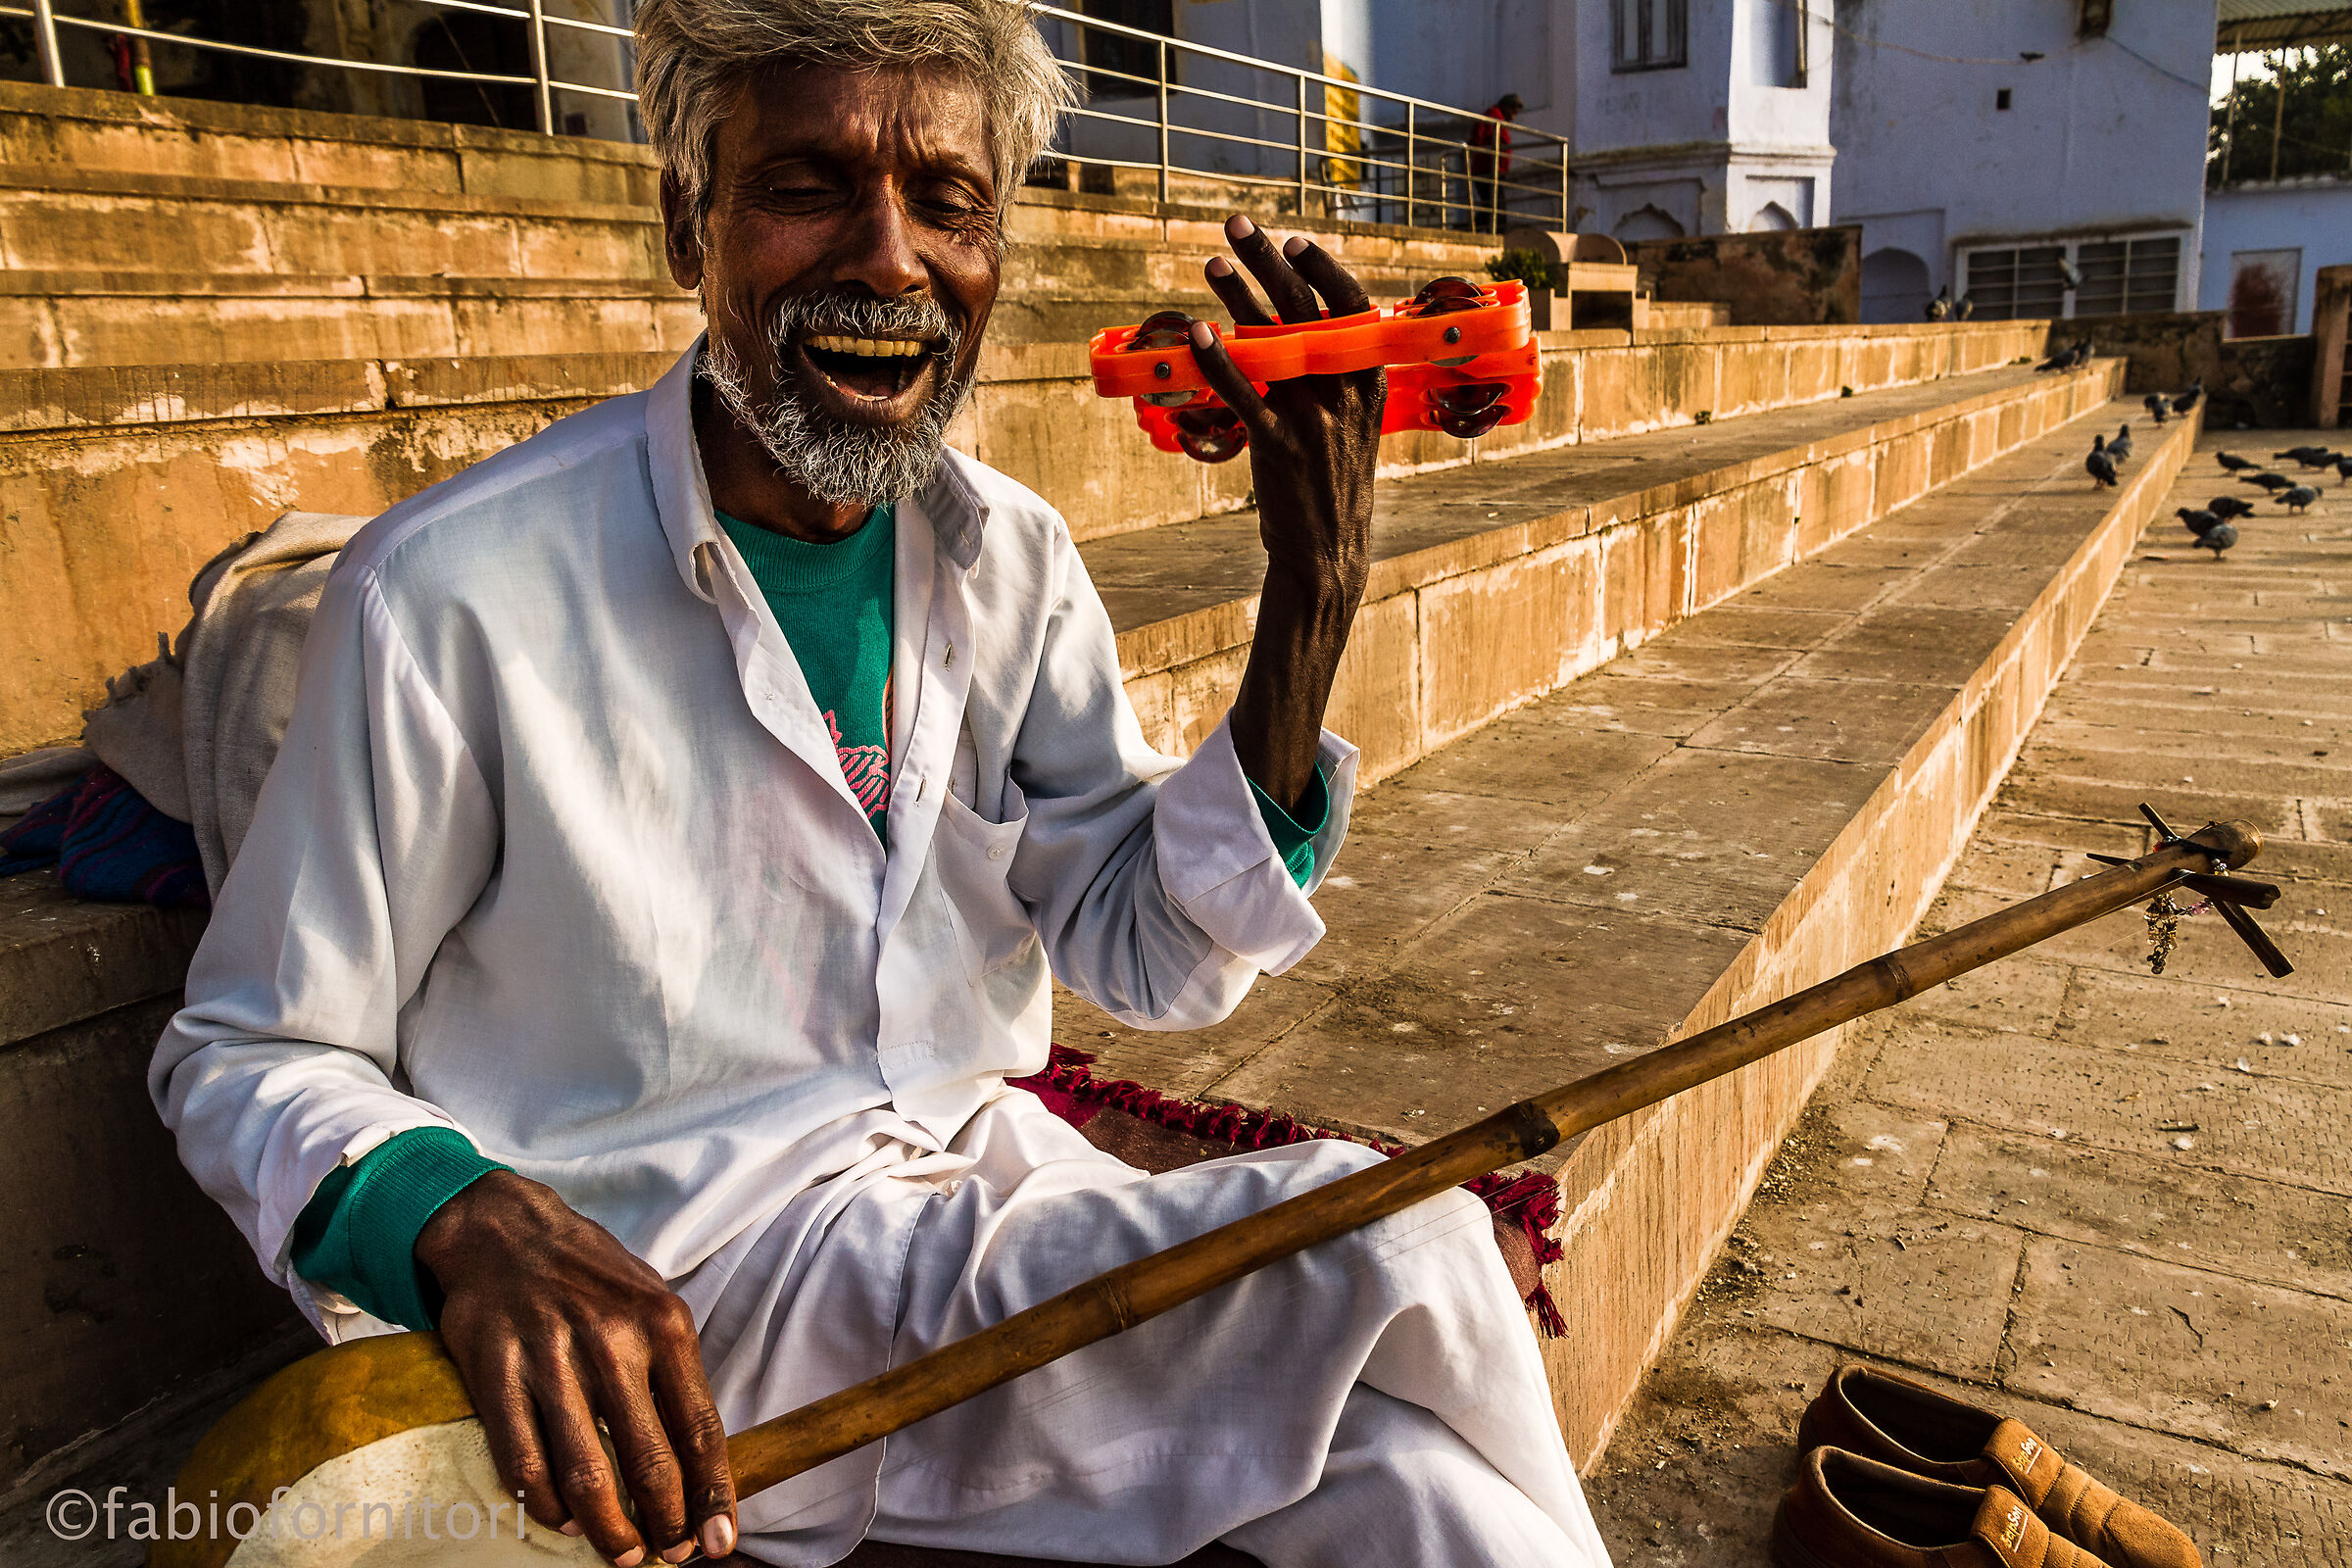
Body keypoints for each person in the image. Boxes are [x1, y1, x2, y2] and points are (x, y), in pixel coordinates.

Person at [148, 3, 1613, 1566]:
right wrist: (461, 1216)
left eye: (948, 203)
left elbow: (1154, 953)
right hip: (692, 1307)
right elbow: (246, 1049)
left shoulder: (1008, 558)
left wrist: (1311, 594)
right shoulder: (451, 591)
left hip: (973, 1223)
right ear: (688, 224)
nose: (891, 261)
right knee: (1406, 1244)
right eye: (807, 187)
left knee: (1421, 1498)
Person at [1467, 92, 1522, 232]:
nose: (1513, 117)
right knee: (1496, 208)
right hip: (1487, 170)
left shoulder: (1498, 118)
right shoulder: (1493, 114)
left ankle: (1471, 230)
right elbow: (1479, 132)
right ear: (1506, 106)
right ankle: (1471, 230)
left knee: (1492, 208)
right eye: (1513, 112)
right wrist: (1474, 146)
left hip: (1493, 170)